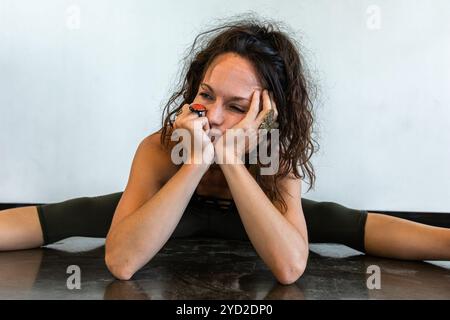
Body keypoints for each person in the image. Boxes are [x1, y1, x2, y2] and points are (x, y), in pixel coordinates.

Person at [1, 17, 449, 284]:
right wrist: (197, 162)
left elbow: (290, 267)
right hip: (172, 213)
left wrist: (232, 160)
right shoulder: (161, 150)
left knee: (336, 221)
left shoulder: (274, 155)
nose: (213, 117)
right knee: (76, 213)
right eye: (207, 94)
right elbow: (120, 261)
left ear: (267, 113)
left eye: (236, 107)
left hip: (253, 216)